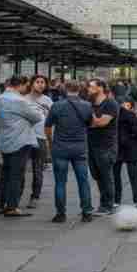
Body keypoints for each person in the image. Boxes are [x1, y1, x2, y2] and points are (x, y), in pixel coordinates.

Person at [44, 80, 93, 223]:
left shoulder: (57, 105)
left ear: (65, 89)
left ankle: (60, 214)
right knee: (83, 181)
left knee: (60, 182)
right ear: (80, 89)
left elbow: (48, 126)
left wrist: (50, 141)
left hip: (60, 148)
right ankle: (86, 212)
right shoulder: (87, 105)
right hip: (80, 148)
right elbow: (90, 124)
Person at [0, 75, 42, 218]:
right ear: (20, 85)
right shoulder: (20, 101)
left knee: (5, 175)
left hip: (5, 141)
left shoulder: (0, 98)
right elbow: (37, 117)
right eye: (26, 85)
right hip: (20, 141)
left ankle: (0, 205)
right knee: (16, 175)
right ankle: (11, 207)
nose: (27, 88)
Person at [87, 79, 120, 216]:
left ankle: (109, 206)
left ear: (100, 88)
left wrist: (90, 118)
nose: (88, 89)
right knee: (97, 175)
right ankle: (103, 204)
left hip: (106, 145)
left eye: (91, 86)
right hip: (92, 144)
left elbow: (101, 123)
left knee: (106, 176)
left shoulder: (110, 103)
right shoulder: (90, 103)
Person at [26, 75, 53, 210]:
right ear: (31, 84)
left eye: (43, 82)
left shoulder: (48, 101)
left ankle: (35, 196)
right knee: (20, 169)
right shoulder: (23, 99)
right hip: (24, 138)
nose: (41, 85)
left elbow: (51, 121)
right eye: (38, 82)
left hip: (41, 138)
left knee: (38, 169)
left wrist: (50, 140)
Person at [115, 87, 137, 207]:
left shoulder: (120, 116)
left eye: (127, 105)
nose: (125, 106)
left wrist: (124, 138)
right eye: (124, 104)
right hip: (128, 149)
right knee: (131, 177)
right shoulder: (132, 116)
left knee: (118, 176)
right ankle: (136, 201)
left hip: (123, 148)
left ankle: (117, 200)